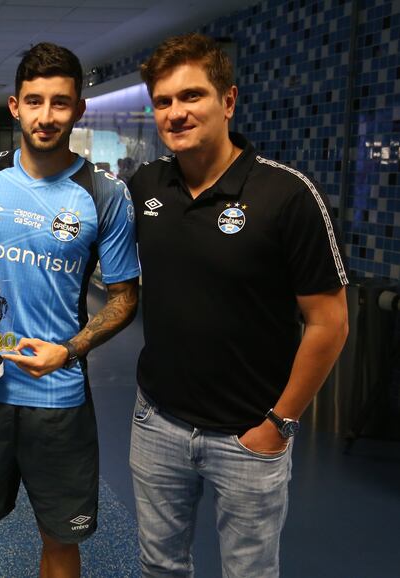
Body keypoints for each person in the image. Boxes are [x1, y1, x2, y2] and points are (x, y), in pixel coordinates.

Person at [126, 33, 349, 577]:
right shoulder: (146, 186)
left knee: (249, 573)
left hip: (249, 436)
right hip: (158, 423)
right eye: (163, 102)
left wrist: (280, 423)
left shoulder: (286, 195)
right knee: (160, 566)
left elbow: (329, 322)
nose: (176, 113)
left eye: (191, 96)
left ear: (228, 100)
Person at [0, 42, 140, 578]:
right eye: (35, 101)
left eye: (60, 103)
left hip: (58, 389)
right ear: (14, 106)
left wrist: (66, 350)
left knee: (60, 537)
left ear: (79, 109)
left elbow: (124, 297)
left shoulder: (105, 194)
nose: (46, 116)